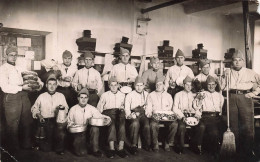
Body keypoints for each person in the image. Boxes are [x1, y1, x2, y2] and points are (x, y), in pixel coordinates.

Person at [0, 46, 43, 154]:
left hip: (24, 96)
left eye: (15, 55)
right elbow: (4, 86)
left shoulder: (20, 67)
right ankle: (13, 150)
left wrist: (39, 82)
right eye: (11, 55)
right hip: (11, 97)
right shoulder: (3, 68)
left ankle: (26, 144)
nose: (14, 57)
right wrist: (21, 88)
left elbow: (31, 75)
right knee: (12, 124)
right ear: (6, 56)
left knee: (27, 121)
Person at [224, 50, 260, 160]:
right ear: (232, 62)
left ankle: (248, 151)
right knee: (233, 125)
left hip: (245, 98)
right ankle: (235, 151)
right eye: (235, 60)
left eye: (240, 60)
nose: (237, 62)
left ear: (243, 62)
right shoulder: (227, 72)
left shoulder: (251, 72)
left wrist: (254, 93)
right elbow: (222, 87)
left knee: (248, 126)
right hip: (232, 97)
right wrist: (222, 78)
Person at [31, 74, 68, 155]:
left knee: (61, 134)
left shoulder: (61, 96)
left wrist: (61, 109)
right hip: (45, 122)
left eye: (54, 84)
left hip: (57, 123)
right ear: (46, 85)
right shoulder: (41, 96)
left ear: (56, 86)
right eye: (50, 84)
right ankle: (44, 144)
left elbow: (66, 108)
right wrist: (39, 115)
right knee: (46, 149)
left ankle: (59, 148)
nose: (52, 86)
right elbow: (34, 108)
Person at [67, 88, 104, 157]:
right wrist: (73, 125)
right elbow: (69, 121)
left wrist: (106, 118)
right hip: (78, 132)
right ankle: (81, 146)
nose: (83, 99)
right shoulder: (73, 109)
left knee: (95, 129)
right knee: (81, 153)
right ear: (78, 98)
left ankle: (95, 149)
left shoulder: (92, 108)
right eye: (81, 97)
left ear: (88, 99)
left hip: (88, 131)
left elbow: (99, 116)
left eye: (85, 98)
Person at [193, 75, 224, 157]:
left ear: (215, 85)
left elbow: (220, 108)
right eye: (209, 85)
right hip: (204, 117)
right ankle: (198, 147)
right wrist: (199, 99)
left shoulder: (219, 96)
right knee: (201, 127)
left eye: (213, 84)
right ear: (206, 85)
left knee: (214, 132)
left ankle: (215, 150)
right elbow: (196, 106)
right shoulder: (202, 94)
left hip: (215, 118)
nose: (211, 86)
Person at [97, 76, 128, 158]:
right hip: (108, 113)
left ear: (118, 85)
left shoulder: (122, 95)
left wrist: (122, 110)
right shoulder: (104, 95)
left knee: (122, 126)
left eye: (115, 85)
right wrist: (103, 117)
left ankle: (121, 148)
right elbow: (99, 109)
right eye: (111, 85)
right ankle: (112, 149)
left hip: (119, 113)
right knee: (112, 125)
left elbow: (126, 107)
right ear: (109, 86)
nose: (114, 87)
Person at [145, 76, 178, 152]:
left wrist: (168, 115)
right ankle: (155, 143)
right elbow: (148, 107)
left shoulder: (168, 96)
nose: (158, 86)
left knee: (174, 124)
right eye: (157, 84)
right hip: (155, 117)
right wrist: (149, 114)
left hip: (166, 117)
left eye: (160, 84)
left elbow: (171, 108)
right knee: (153, 125)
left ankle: (167, 141)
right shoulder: (151, 95)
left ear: (163, 85)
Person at [173, 76, 202, 155]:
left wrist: (197, 115)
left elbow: (199, 108)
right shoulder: (178, 95)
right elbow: (175, 108)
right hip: (182, 116)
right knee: (181, 127)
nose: (189, 87)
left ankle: (194, 145)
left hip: (193, 117)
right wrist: (182, 116)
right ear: (183, 85)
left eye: (190, 85)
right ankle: (180, 147)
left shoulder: (195, 95)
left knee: (200, 126)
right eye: (187, 85)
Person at [125, 76, 151, 154]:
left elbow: (149, 106)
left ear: (143, 86)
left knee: (146, 125)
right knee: (135, 124)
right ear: (134, 86)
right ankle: (133, 145)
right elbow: (127, 108)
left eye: (141, 85)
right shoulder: (130, 95)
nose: (139, 88)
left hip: (143, 114)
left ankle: (147, 144)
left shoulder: (147, 94)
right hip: (133, 114)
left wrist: (148, 112)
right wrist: (130, 115)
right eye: (137, 85)